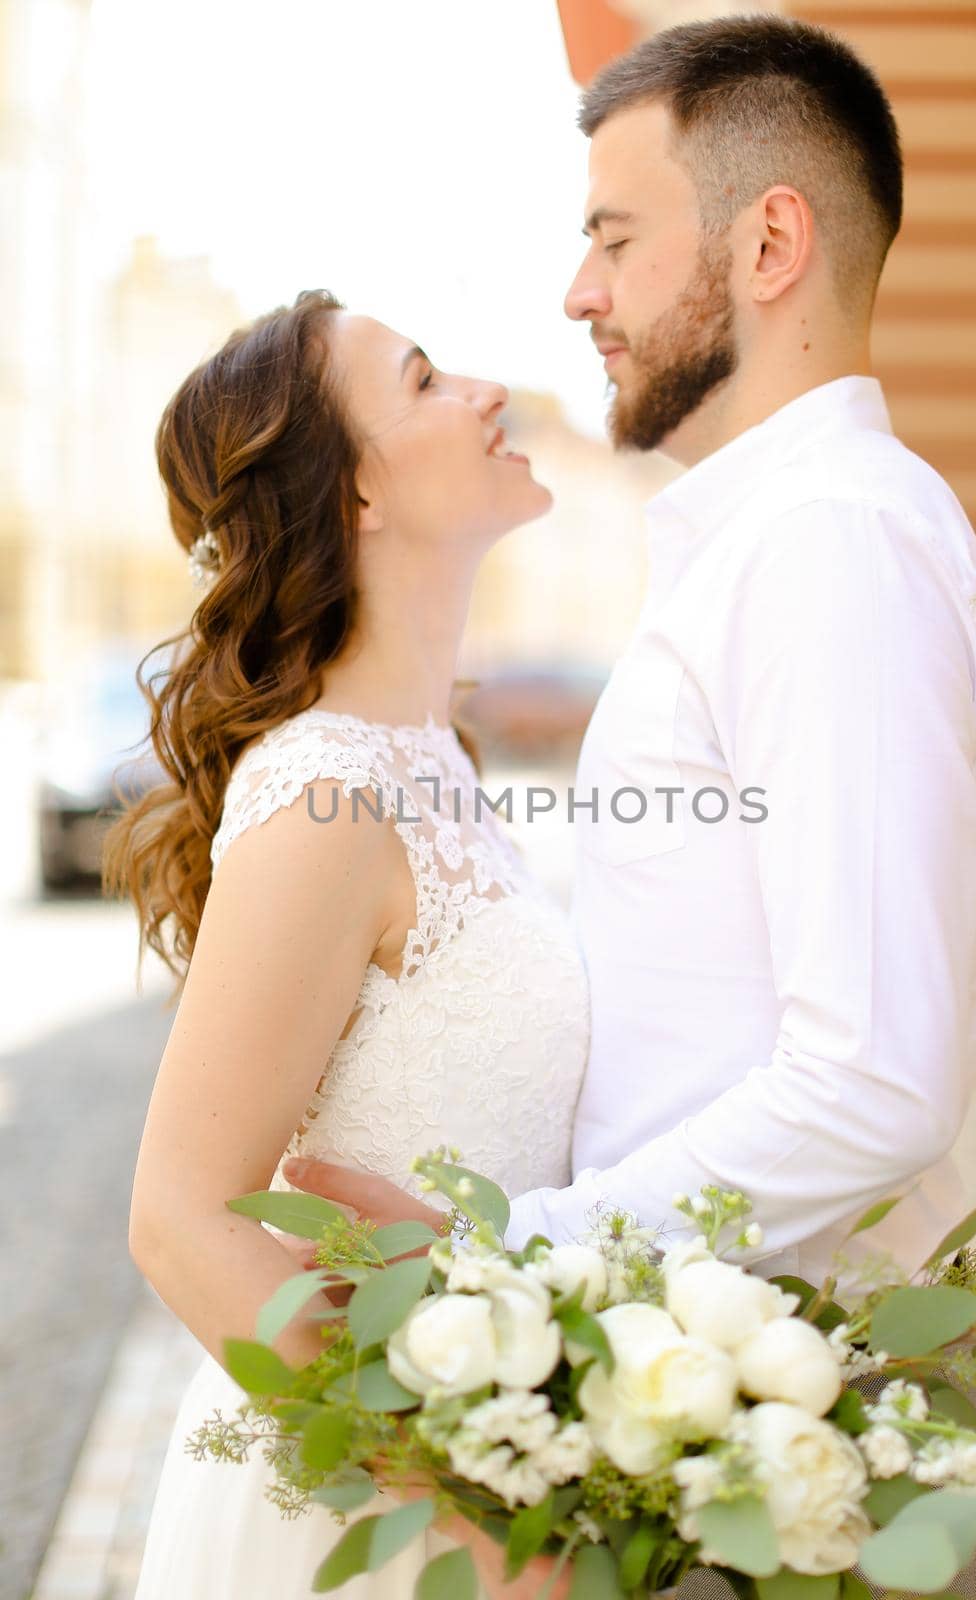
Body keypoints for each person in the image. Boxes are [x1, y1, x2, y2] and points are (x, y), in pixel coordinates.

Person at [287, 19, 976, 1600]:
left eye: (614, 240)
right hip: (725, 1393)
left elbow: (875, 1080)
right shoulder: (770, 544)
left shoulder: (835, 549)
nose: (577, 295)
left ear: (770, 242)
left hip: (804, 1425)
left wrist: (510, 1267)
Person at [108, 291, 586, 1598]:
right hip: (374, 1524)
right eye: (427, 379)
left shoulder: (433, 761)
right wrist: (474, 1517)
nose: (488, 390)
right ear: (357, 493)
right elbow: (181, 1218)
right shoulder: (327, 789)